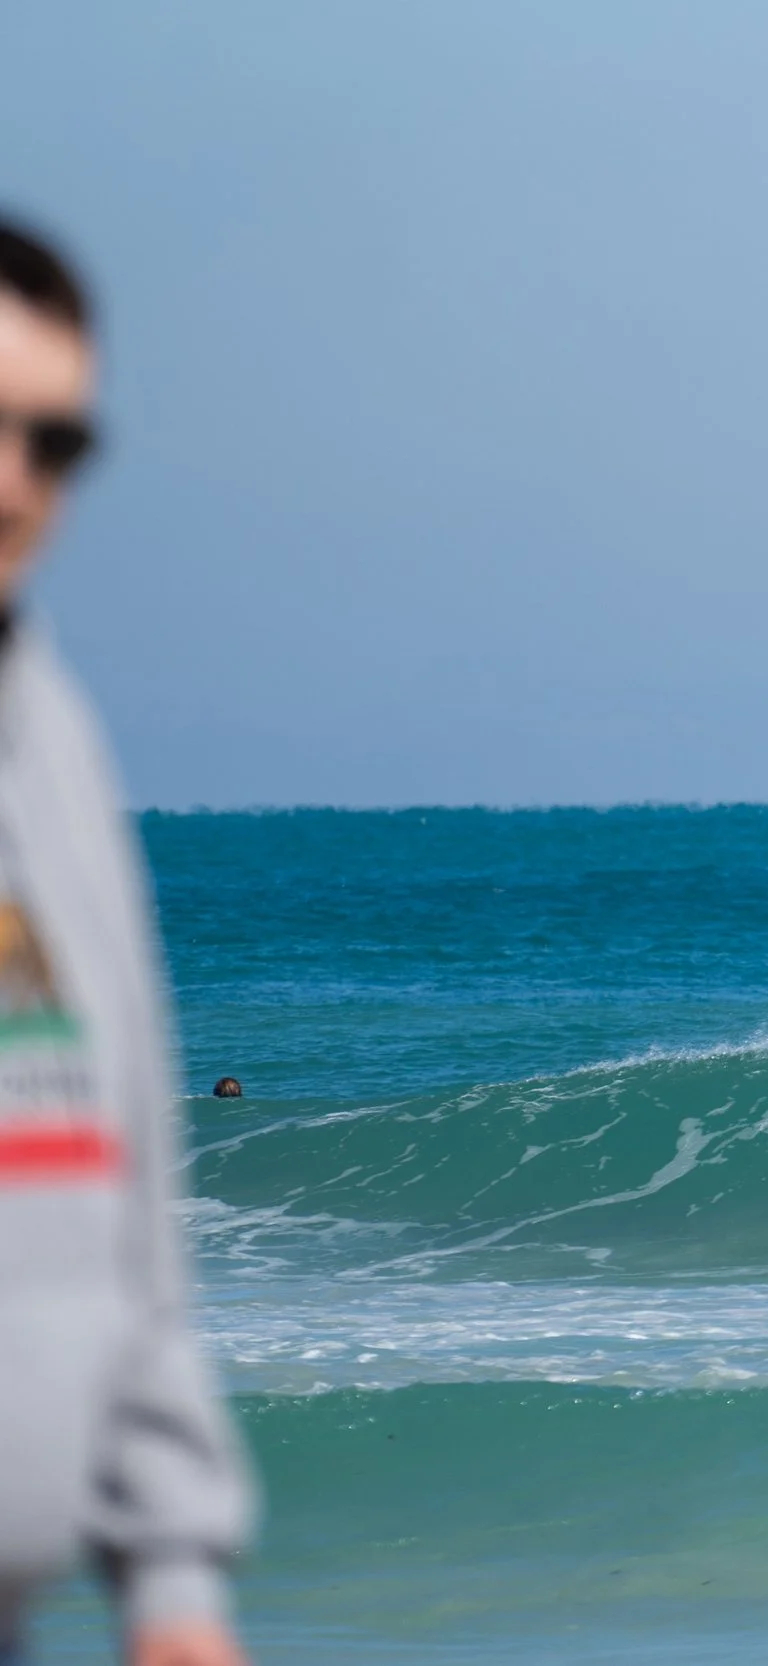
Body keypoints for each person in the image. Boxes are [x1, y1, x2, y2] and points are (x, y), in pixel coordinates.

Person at [0, 218, 255, 1666]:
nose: (15, 480)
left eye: (56, 443)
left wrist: (173, 1578)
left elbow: (120, 1188)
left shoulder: (57, 739)